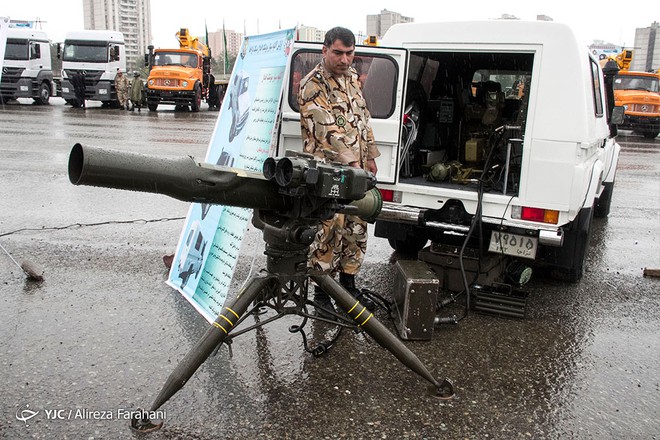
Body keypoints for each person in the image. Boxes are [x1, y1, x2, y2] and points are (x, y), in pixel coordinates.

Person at [298, 26, 379, 318]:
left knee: (355, 227)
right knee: (328, 229)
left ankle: (349, 285)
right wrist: (353, 165)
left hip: (356, 170)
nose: (345, 60)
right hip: (327, 173)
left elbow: (362, 120)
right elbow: (327, 131)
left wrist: (369, 157)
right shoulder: (312, 84)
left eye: (349, 53)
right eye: (338, 53)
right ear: (325, 50)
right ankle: (321, 293)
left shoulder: (353, 79)